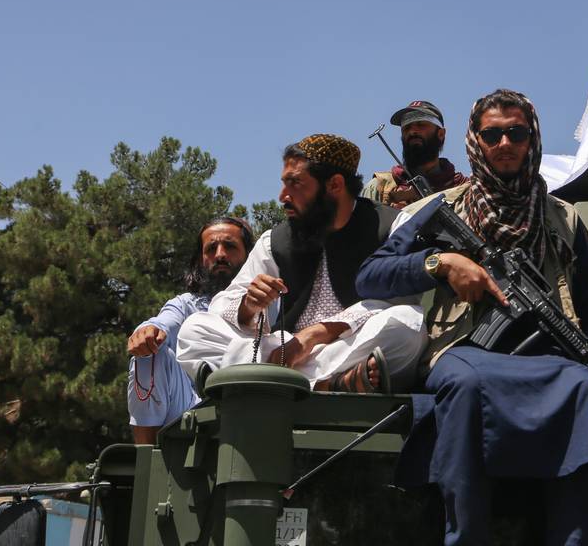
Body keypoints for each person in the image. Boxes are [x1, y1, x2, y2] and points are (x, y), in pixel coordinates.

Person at [356, 89, 588, 546]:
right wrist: (440, 264)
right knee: (465, 387)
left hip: (550, 356)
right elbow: (370, 277)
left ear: (532, 139)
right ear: (475, 141)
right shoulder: (436, 209)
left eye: (516, 133)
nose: (504, 143)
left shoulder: (564, 218)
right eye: (492, 134)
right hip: (462, 351)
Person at [176, 134, 427, 392]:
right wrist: (248, 306)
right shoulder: (276, 240)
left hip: (352, 345)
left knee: (406, 324)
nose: (283, 196)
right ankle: (327, 384)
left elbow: (400, 299)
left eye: (295, 184)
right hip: (286, 353)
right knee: (194, 330)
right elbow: (224, 303)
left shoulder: (392, 226)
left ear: (335, 185)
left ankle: (269, 383)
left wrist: (316, 334)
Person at [127, 216, 254, 445]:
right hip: (195, 411)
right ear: (200, 260)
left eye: (230, 246)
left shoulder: (271, 302)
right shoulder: (188, 305)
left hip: (253, 410)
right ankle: (146, 463)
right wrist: (147, 331)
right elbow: (163, 322)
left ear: (250, 256)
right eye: (211, 248)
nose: (220, 255)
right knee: (149, 353)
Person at [361, 100, 466, 209]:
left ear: (441, 134)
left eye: (421, 125)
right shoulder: (380, 187)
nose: (412, 132)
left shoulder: (464, 189)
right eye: (406, 127)